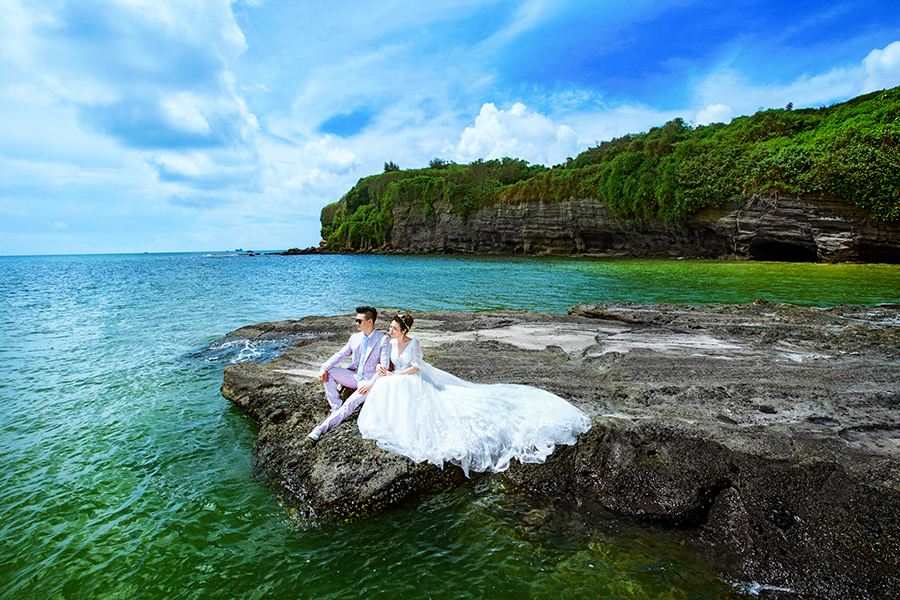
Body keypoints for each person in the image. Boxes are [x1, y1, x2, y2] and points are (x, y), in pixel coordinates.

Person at [356, 313, 591, 476]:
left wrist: (395, 375)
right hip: (398, 375)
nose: (390, 330)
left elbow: (416, 367)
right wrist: (382, 370)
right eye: (390, 328)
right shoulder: (389, 342)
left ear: (404, 331)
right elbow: (384, 361)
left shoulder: (413, 342)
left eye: (394, 328)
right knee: (386, 387)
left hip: (414, 376)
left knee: (405, 390)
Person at [308, 306, 390, 441]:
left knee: (350, 404)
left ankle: (320, 429)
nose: (356, 323)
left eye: (359, 321)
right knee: (329, 372)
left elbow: (384, 368)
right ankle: (335, 407)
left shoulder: (382, 340)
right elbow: (341, 354)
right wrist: (324, 367)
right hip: (354, 376)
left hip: (368, 382)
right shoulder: (354, 338)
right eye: (355, 320)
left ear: (370, 322)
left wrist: (370, 385)